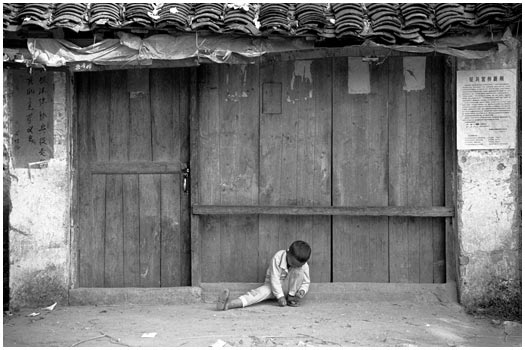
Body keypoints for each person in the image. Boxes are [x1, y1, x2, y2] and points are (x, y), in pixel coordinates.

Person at [216, 240, 311, 310]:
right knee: (258, 293)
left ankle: (291, 297)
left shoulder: (303, 265)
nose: (294, 266)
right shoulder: (278, 257)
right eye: (293, 263)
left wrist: (302, 291)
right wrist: (280, 296)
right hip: (273, 287)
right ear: (287, 252)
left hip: (291, 291)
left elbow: (306, 282)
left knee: (299, 272)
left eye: (299, 265)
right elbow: (274, 279)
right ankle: (229, 304)